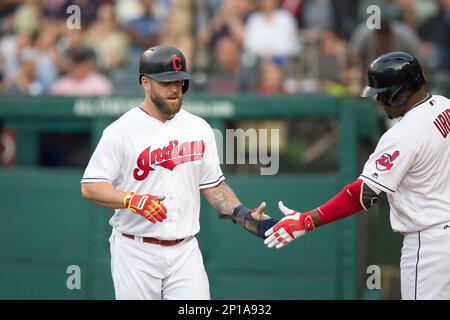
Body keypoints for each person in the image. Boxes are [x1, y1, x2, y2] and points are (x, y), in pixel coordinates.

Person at [80, 45, 278, 300]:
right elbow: (91, 186)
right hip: (135, 249)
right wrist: (130, 199)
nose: (174, 88)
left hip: (185, 250)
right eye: (165, 82)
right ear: (145, 83)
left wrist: (242, 214)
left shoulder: (199, 127)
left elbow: (213, 185)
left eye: (179, 81)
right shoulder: (121, 131)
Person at [264, 51, 450, 300]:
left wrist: (307, 220)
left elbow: (363, 195)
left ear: (399, 92)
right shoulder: (443, 105)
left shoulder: (403, 135)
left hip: (430, 244)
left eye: (381, 94)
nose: (379, 101)